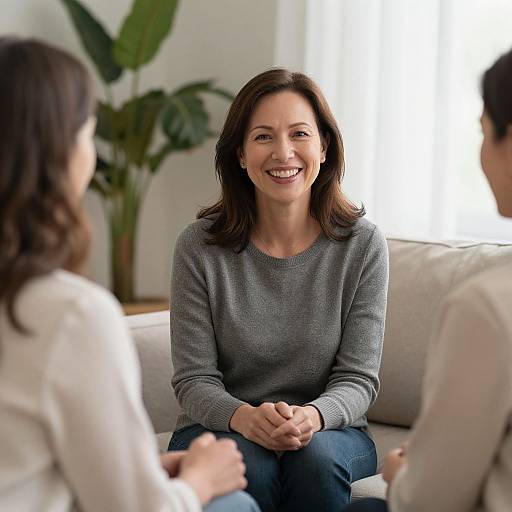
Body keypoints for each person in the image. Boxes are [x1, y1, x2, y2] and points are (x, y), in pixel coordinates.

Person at [0, 37, 260, 512]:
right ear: (58, 150)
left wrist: (142, 472)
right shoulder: (72, 316)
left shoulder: (359, 246)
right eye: (87, 131)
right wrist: (200, 480)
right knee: (235, 505)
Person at [168, 68, 389, 512]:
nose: (283, 152)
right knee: (251, 461)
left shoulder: (363, 245)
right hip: (223, 425)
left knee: (315, 458)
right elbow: (194, 380)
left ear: (324, 147)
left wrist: (312, 416)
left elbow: (358, 379)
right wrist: (245, 418)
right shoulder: (199, 246)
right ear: (241, 155)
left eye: (300, 134)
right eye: (264, 137)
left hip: (330, 432)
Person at [344, 46, 512, 512]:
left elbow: (429, 499)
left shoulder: (488, 306)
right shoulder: (203, 247)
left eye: (484, 133)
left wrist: (401, 472)